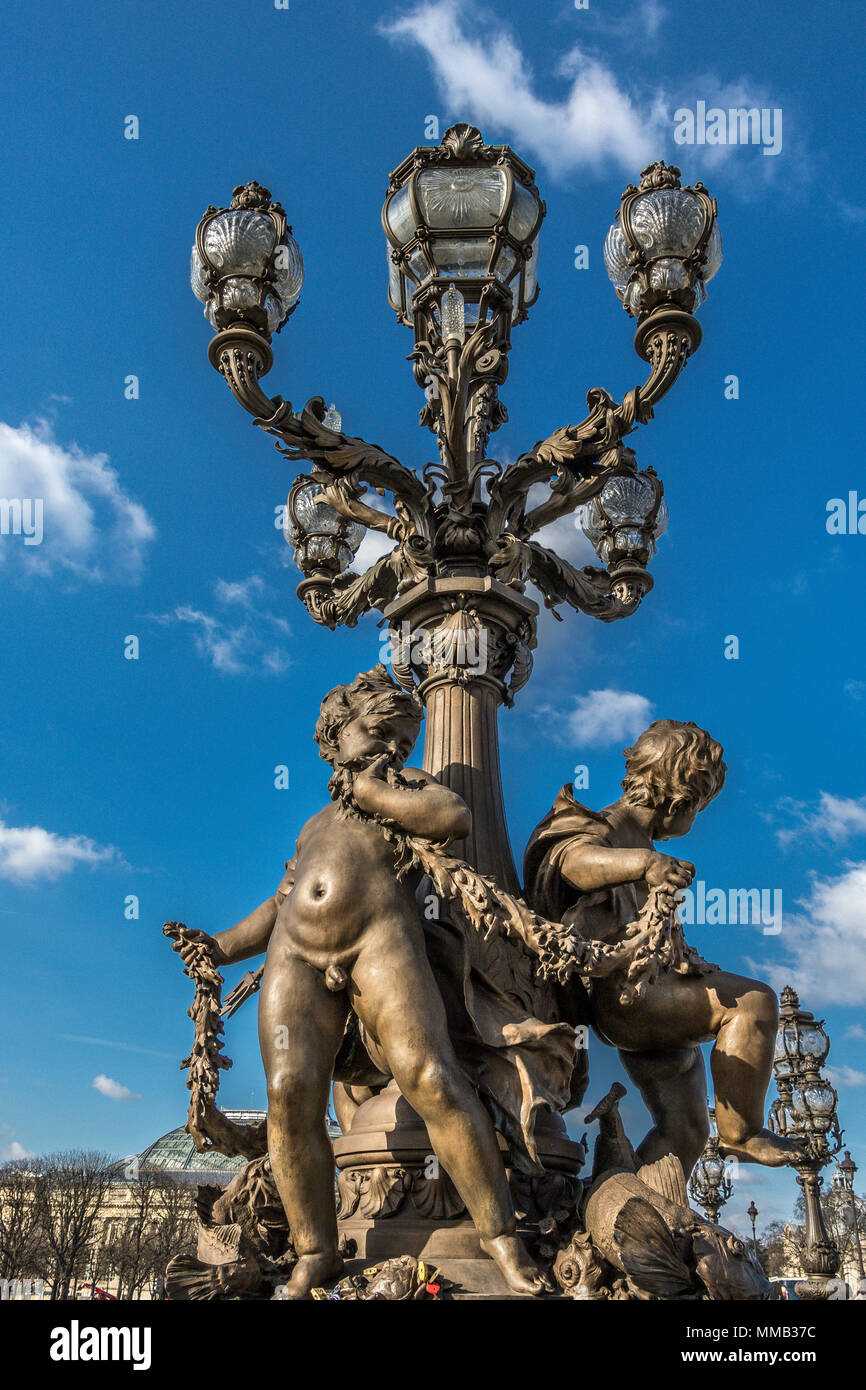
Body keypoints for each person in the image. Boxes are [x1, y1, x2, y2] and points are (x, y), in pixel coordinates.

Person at [524, 719, 806, 1175]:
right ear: (681, 801)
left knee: (686, 1130)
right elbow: (571, 863)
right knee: (754, 1003)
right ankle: (742, 1133)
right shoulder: (608, 827)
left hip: (651, 997)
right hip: (634, 997)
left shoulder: (638, 839)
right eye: (699, 809)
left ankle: (617, 1208)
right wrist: (645, 864)